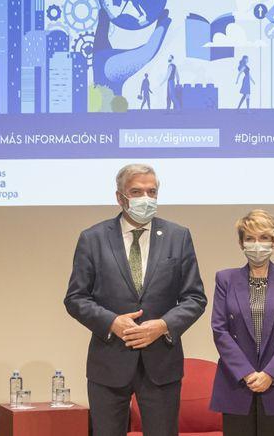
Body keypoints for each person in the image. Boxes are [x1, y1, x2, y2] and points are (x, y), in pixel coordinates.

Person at [64, 164, 208, 436]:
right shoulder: (92, 239)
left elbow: (195, 298)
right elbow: (75, 298)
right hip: (108, 363)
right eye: (137, 191)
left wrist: (163, 325)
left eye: (151, 191)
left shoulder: (178, 236)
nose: (146, 198)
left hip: (161, 364)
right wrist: (112, 322)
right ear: (120, 197)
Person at [210, 210, 274, 435]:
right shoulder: (225, 278)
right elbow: (220, 329)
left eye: (264, 238)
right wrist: (246, 372)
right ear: (241, 243)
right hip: (237, 383)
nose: (257, 244)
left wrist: (269, 374)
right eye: (250, 239)